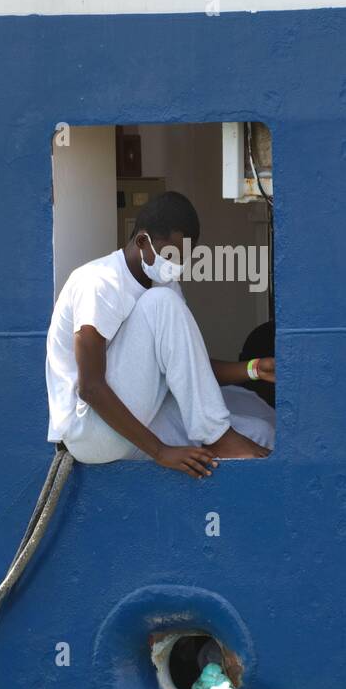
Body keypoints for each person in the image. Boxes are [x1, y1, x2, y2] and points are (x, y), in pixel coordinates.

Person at [45, 191, 275, 478]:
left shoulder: (162, 281)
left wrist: (253, 369)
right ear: (142, 241)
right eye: (171, 254)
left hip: (138, 421)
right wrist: (160, 452)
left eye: (185, 257)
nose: (177, 265)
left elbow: (191, 369)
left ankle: (221, 436)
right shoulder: (99, 282)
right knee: (161, 302)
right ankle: (218, 435)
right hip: (92, 431)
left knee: (262, 432)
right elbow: (90, 387)